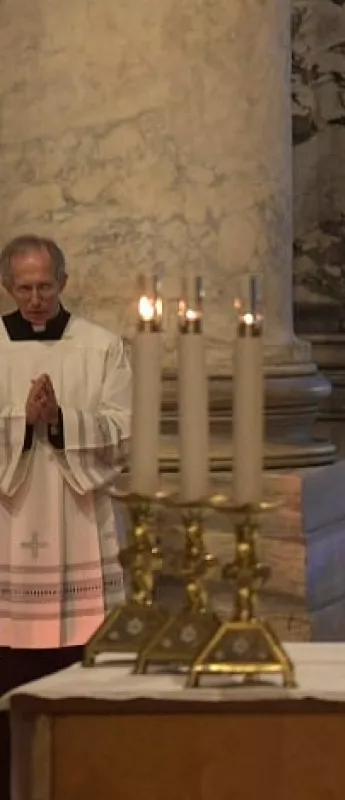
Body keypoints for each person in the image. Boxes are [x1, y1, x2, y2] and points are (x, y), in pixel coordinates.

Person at [0, 235, 132, 793]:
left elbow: (122, 433)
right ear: (8, 288)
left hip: (77, 525)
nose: (35, 298)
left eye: (45, 286)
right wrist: (19, 422)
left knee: (82, 671)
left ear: (64, 282)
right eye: (24, 288)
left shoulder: (101, 347)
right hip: (10, 528)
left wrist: (58, 421)